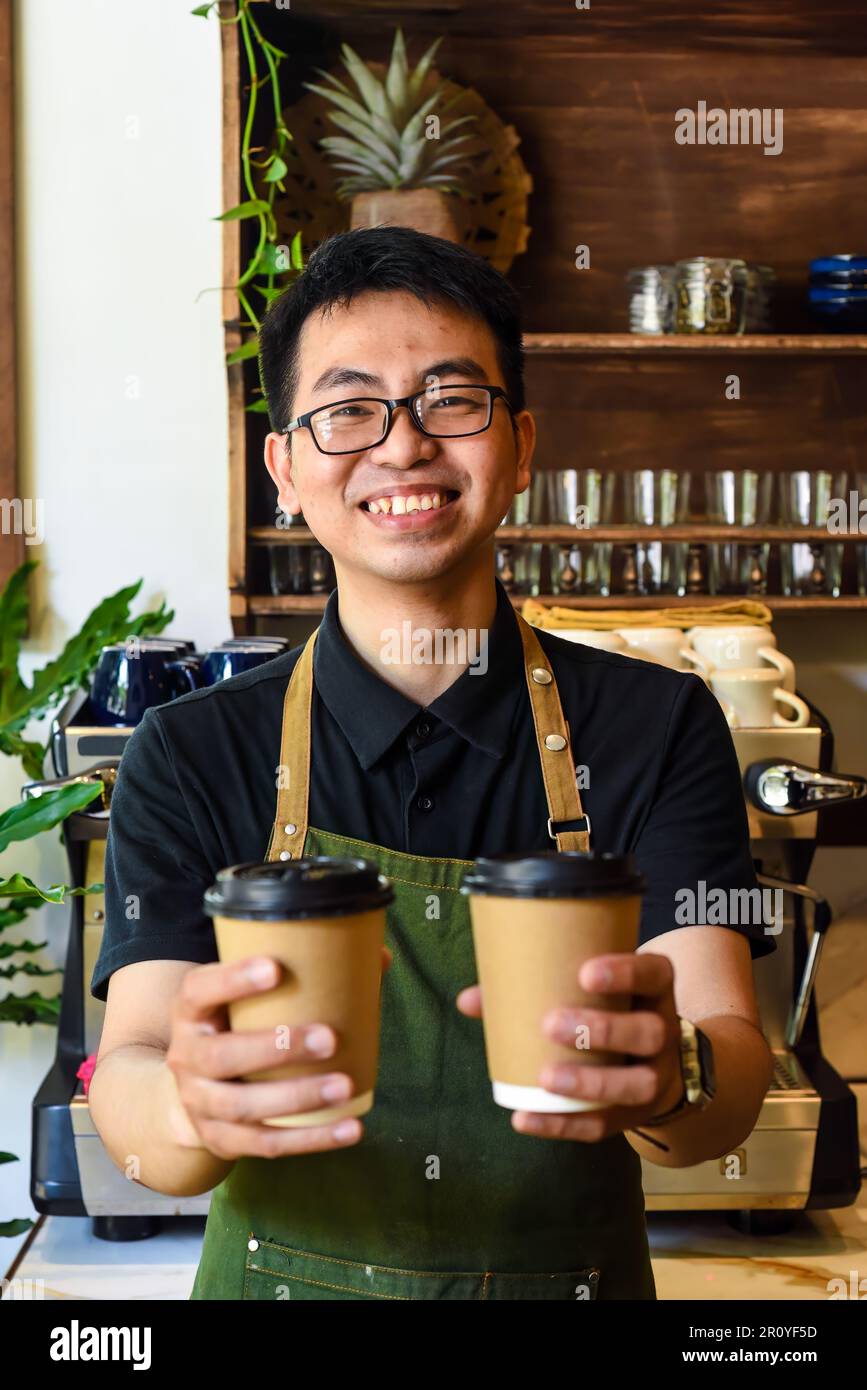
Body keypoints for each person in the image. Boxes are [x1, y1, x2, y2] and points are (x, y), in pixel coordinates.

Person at [89, 226, 775, 1301]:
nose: (404, 447)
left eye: (452, 399)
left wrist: (673, 1075)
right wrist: (187, 1109)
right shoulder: (191, 749)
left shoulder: (658, 724)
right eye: (349, 409)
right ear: (286, 466)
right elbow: (128, 1063)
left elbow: (725, 1077)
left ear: (523, 442)